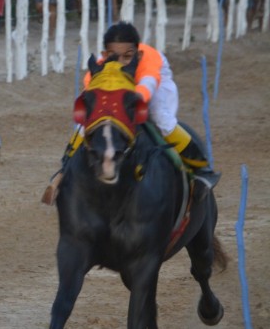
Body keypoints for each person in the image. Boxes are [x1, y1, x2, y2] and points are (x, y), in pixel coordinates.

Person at [43, 21, 217, 204]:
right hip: (122, 88)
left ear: (138, 55)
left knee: (159, 117)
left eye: (127, 56)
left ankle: (201, 168)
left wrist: (120, 104)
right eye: (113, 56)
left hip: (155, 83)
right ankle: (65, 168)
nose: (120, 62)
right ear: (104, 55)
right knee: (86, 119)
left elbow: (143, 93)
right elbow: (92, 94)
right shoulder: (99, 68)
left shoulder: (147, 65)